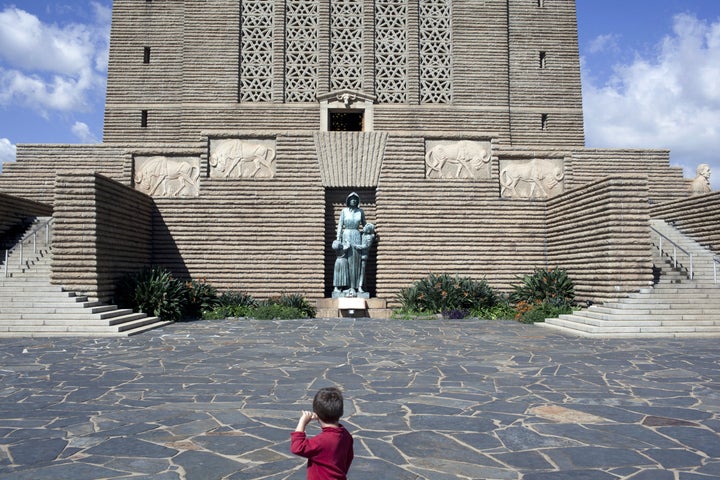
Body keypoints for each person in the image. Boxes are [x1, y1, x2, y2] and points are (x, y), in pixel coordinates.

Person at [291, 387, 354, 480]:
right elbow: (349, 458)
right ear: (341, 412)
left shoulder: (320, 441)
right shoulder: (346, 435)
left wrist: (302, 423)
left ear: (316, 414)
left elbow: (297, 447)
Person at [335, 192, 366, 296]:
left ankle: (356, 286)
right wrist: (338, 239)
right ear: (348, 200)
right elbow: (340, 225)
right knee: (345, 261)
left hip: (357, 236)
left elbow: (365, 226)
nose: (353, 200)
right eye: (351, 199)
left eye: (355, 199)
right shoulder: (344, 211)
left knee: (355, 262)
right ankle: (345, 286)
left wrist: (369, 235)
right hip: (346, 235)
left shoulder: (360, 212)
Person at [352, 223, 375, 294]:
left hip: (363, 256)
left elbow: (366, 246)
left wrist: (357, 246)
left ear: (368, 230)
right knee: (360, 272)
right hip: (358, 255)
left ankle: (360, 287)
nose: (364, 227)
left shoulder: (369, 237)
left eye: (366, 227)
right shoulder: (363, 234)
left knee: (362, 272)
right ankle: (363, 286)